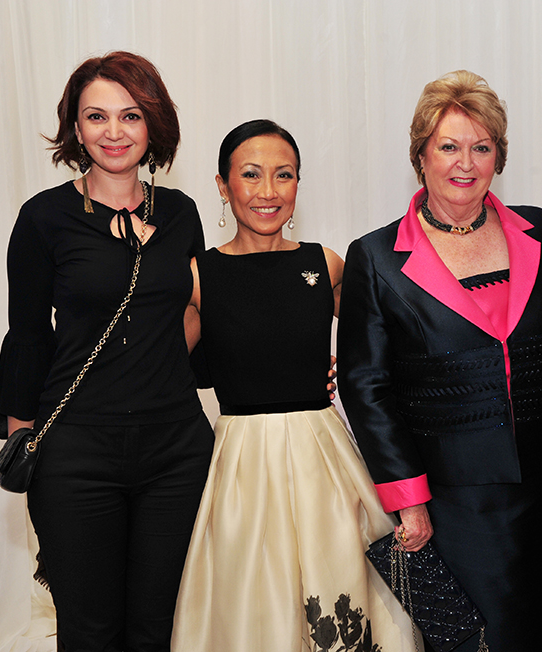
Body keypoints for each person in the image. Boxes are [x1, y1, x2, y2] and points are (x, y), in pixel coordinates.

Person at [337, 70, 542, 651]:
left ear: (499, 156)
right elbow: (366, 387)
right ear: (420, 155)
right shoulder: (376, 257)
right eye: (448, 146)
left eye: (481, 147)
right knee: (473, 640)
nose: (465, 164)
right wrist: (408, 499)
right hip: (452, 501)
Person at [0, 52, 215, 651]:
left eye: (131, 115)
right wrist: (22, 439)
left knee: (155, 630)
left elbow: (194, 316)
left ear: (153, 124)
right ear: (76, 126)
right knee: (89, 632)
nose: (114, 131)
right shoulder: (44, 217)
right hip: (76, 451)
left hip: (175, 451)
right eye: (97, 116)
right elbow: (27, 334)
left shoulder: (180, 213)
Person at [171, 120, 417, 652]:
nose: (268, 191)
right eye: (250, 175)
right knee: (252, 596)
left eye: (283, 175)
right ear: (222, 186)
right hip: (242, 462)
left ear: (299, 184)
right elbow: (160, 371)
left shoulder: (324, 263)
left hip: (322, 456)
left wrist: (344, 367)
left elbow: (386, 342)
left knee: (339, 577)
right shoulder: (199, 276)